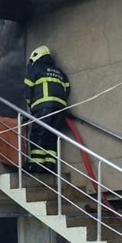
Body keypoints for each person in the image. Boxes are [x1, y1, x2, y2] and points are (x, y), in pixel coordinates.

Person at [23, 45, 71, 173]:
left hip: (43, 108)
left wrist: (30, 106)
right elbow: (67, 88)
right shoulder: (59, 71)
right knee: (52, 137)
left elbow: (28, 87)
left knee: (38, 134)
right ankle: (50, 166)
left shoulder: (36, 68)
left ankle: (37, 166)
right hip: (60, 109)